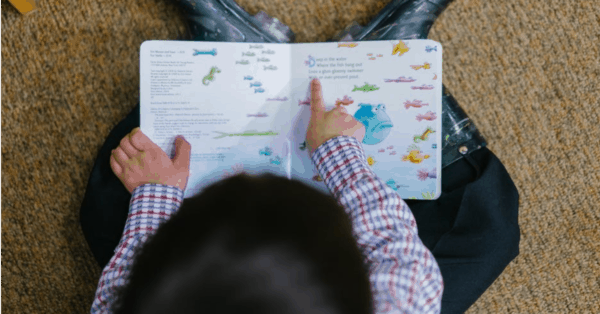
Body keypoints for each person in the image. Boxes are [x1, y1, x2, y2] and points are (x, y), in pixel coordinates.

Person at [89, 78, 444, 313]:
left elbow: (117, 290)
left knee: (108, 197)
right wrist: (338, 151)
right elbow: (397, 249)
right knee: (488, 222)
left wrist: (157, 194)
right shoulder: (400, 299)